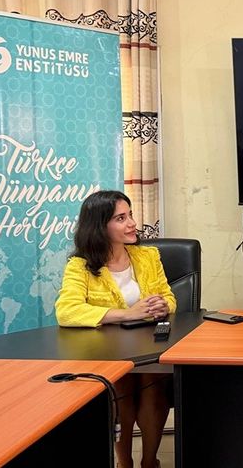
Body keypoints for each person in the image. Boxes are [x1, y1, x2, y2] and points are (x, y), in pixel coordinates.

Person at [55, 190, 175, 468]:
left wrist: (163, 306)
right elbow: (67, 311)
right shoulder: (80, 265)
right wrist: (127, 313)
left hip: (150, 345)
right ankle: (125, 463)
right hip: (107, 350)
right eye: (121, 218)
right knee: (120, 387)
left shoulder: (148, 256)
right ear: (99, 226)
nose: (132, 223)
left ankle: (150, 462)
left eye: (130, 215)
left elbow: (169, 297)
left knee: (152, 387)